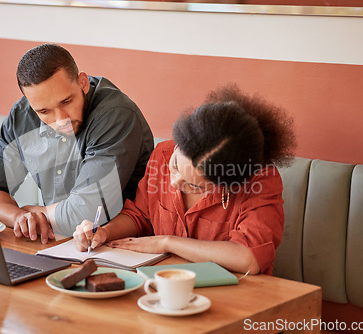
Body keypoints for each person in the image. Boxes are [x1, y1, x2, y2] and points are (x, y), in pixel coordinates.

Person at [73, 84, 296, 275]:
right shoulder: (162, 153)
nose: (174, 183)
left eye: (193, 185)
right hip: (163, 285)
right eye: (176, 166)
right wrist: (104, 232)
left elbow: (249, 259)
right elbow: (140, 216)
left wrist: (167, 242)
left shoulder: (259, 180)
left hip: (234, 298)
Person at [0, 44, 154, 243]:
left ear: (83, 83)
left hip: (118, 247)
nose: (61, 120)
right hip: (54, 243)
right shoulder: (22, 116)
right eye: (44, 111)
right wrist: (20, 217)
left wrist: (32, 210)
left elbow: (84, 213)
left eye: (66, 101)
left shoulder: (116, 115)